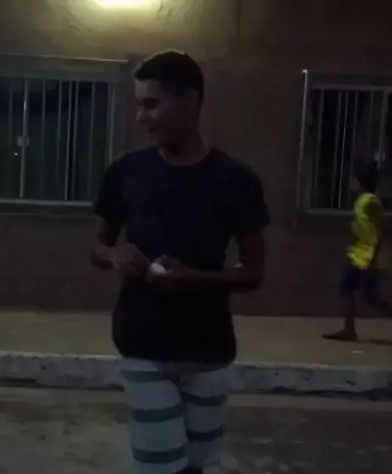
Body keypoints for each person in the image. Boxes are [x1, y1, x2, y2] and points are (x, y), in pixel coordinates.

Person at [91, 50, 269, 474]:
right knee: (159, 466)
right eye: (139, 105)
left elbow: (254, 273)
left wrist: (193, 280)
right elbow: (97, 246)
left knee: (197, 465)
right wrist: (115, 255)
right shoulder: (126, 173)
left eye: (151, 105)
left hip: (208, 348)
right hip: (142, 343)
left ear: (189, 102)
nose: (141, 118)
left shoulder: (235, 180)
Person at [323, 161, 392, 347]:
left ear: (359, 181)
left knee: (372, 299)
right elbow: (364, 226)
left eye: (353, 179)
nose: (351, 182)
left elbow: (382, 230)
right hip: (357, 254)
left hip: (368, 257)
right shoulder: (361, 201)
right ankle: (349, 330)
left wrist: (374, 258)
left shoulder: (370, 202)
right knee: (346, 289)